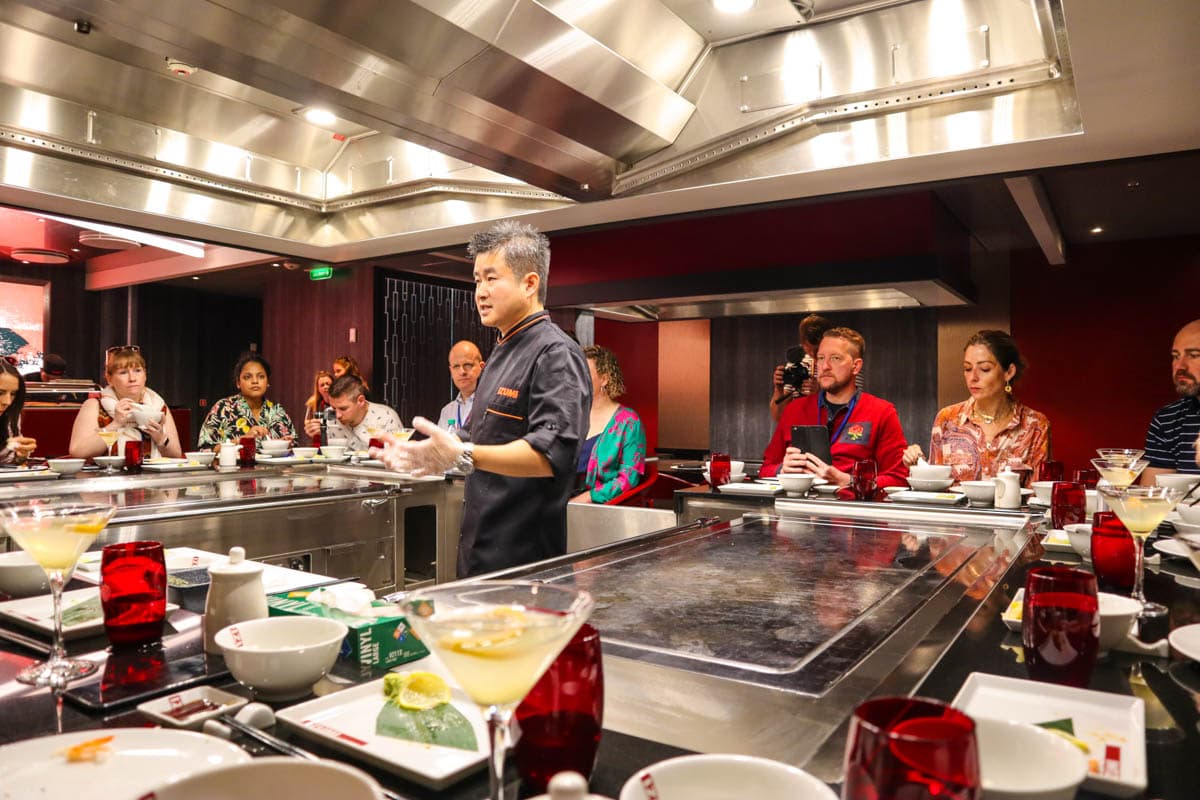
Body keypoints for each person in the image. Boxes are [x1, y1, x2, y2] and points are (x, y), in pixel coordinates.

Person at [373, 219, 591, 577]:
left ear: (530, 283)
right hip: (480, 551)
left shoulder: (555, 352)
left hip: (526, 564)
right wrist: (428, 453)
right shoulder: (503, 349)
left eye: (492, 278)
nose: (480, 291)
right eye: (477, 280)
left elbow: (551, 455)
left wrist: (463, 453)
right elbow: (475, 436)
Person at [760, 327, 907, 488]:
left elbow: (899, 478)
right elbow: (765, 469)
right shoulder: (795, 409)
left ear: (856, 366)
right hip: (800, 508)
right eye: (821, 358)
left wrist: (850, 481)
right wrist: (782, 470)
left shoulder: (882, 412)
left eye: (835, 358)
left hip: (852, 508)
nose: (825, 366)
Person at [902, 330, 1050, 486]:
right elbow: (936, 490)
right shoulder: (947, 419)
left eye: (985, 369)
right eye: (967, 369)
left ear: (1009, 372)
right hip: (954, 511)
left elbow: (1037, 499)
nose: (973, 377)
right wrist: (917, 466)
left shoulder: (1035, 425)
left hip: (1011, 511)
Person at [69, 346, 184, 460]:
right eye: (123, 372)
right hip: (105, 477)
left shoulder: (158, 406)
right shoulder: (94, 405)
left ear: (145, 375)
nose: (132, 378)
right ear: (109, 379)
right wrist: (116, 424)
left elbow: (176, 455)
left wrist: (161, 439)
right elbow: (78, 451)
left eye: (137, 371)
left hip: (150, 476)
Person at [571, 345, 646, 504]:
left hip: (598, 507)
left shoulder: (628, 421)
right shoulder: (569, 415)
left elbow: (629, 478)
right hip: (558, 503)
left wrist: (588, 498)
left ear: (604, 379)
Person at [198, 353, 296, 450]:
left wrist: (286, 444)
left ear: (268, 383)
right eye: (248, 377)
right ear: (238, 383)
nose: (255, 381)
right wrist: (242, 440)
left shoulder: (277, 411)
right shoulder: (223, 408)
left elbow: (294, 445)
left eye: (261, 376)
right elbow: (205, 449)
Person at [1143, 319, 1200, 483]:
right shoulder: (1168, 419)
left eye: (1194, 355)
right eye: (1176, 356)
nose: (1180, 366)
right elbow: (1151, 500)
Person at [303, 373, 401, 451]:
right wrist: (320, 435)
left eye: (343, 409)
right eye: (333, 408)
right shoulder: (329, 414)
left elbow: (398, 457)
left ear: (361, 401)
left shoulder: (386, 417)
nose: (337, 415)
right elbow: (323, 454)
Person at [437, 341, 485, 436]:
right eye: (456, 366)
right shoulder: (447, 411)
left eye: (468, 365)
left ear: (482, 367)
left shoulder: (492, 406)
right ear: (451, 371)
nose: (462, 371)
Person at [0, 359, 36, 463]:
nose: (7, 402)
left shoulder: (10, 416)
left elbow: (6, 462)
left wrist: (20, 456)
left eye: (13, 394)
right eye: (0, 393)